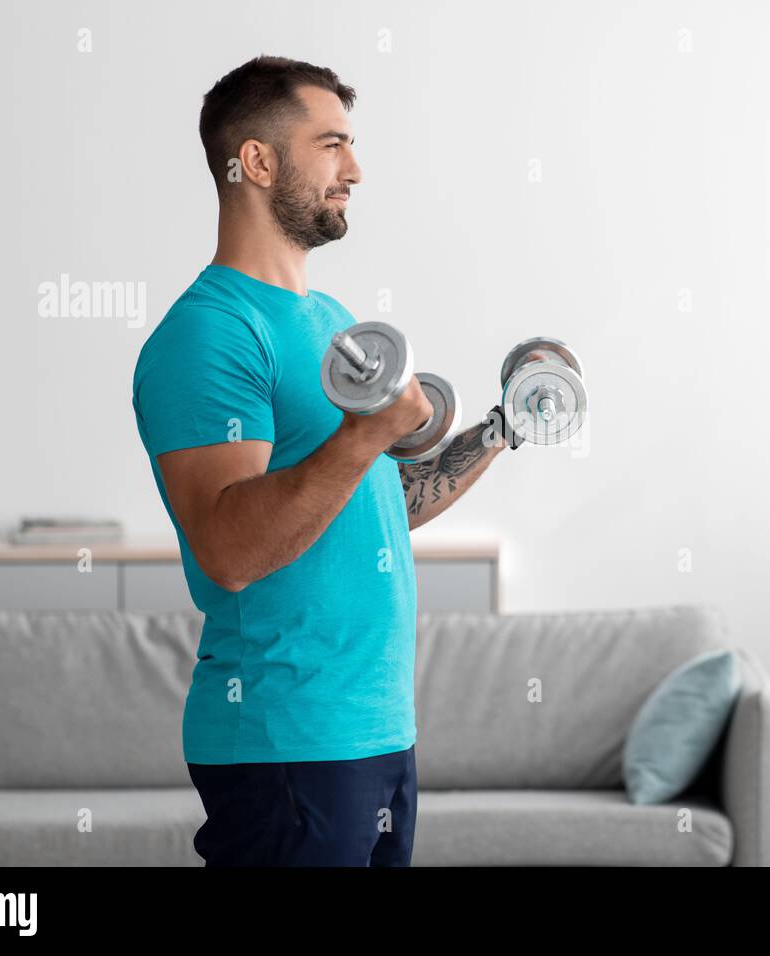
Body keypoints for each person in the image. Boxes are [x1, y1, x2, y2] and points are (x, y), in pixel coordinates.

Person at [131, 55, 522, 866]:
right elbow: (230, 550)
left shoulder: (329, 318)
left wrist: (498, 430)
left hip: (372, 729)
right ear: (259, 160)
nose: (356, 170)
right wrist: (369, 431)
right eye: (332, 144)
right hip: (284, 738)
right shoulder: (211, 333)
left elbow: (374, 504)